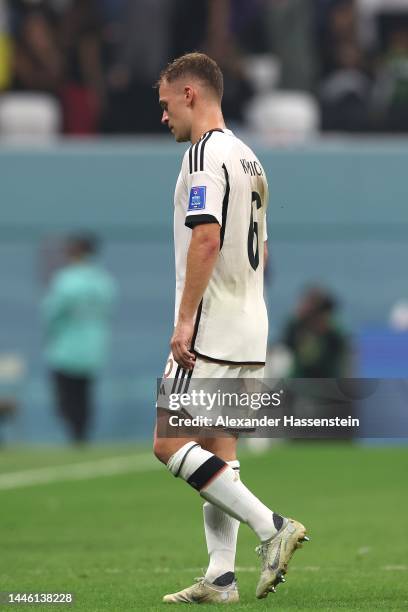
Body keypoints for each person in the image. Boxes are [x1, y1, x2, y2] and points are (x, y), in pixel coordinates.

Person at [153, 52, 308, 605]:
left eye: (166, 103)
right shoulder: (250, 159)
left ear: (190, 95)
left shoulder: (204, 154)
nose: (164, 115)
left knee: (169, 444)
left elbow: (207, 238)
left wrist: (186, 319)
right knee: (221, 448)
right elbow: (261, 248)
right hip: (250, 322)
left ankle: (273, 528)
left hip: (212, 324)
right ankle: (221, 577)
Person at [42, 234, 117, 443]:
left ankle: (76, 433)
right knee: (84, 395)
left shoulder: (66, 280)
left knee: (66, 397)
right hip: (94, 347)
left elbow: (51, 312)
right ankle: (81, 433)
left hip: (66, 349)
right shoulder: (103, 280)